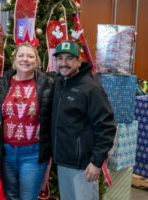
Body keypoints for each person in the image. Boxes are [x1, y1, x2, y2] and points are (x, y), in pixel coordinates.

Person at [51, 41, 116, 200]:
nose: (64, 63)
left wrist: (96, 161)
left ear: (79, 61)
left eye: (69, 58)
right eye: (60, 58)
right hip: (63, 162)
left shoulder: (91, 89)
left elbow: (107, 127)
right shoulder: (59, 83)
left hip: (84, 167)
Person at [0, 43, 53, 200]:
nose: (25, 59)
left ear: (37, 61)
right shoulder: (1, 84)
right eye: (21, 55)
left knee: (28, 197)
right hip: (6, 152)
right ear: (14, 60)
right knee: (11, 196)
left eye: (30, 56)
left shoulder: (47, 84)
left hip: (33, 153)